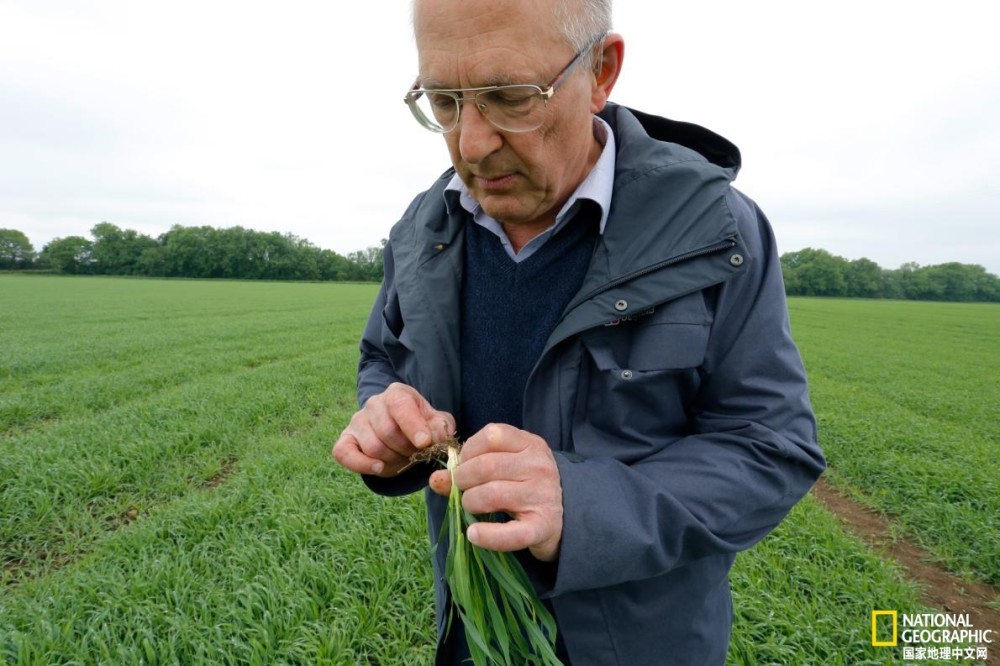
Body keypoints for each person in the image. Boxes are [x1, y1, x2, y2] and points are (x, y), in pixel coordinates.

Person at [332, 0, 826, 663]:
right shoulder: (423, 229)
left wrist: (583, 506)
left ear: (601, 70)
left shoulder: (715, 232)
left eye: (509, 97)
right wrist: (388, 417)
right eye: (445, 101)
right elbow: (383, 358)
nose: (471, 144)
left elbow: (770, 446)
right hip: (470, 629)